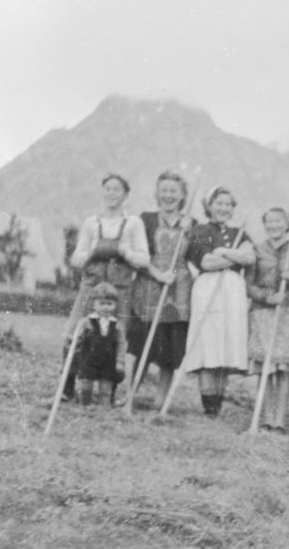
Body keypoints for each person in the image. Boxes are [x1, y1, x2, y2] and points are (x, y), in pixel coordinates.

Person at [61, 173, 149, 402]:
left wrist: (123, 251)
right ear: (102, 192)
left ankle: (107, 392)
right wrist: (92, 251)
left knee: (114, 337)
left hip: (120, 291)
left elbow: (144, 260)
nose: (112, 193)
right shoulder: (91, 223)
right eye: (108, 189)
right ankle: (68, 388)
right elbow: (76, 260)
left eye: (117, 189)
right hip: (91, 288)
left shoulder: (133, 223)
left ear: (126, 194)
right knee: (75, 334)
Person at [126, 171, 198, 408]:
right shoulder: (145, 219)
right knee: (142, 344)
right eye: (164, 190)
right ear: (157, 193)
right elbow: (137, 255)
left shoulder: (192, 225)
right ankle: (130, 395)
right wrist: (158, 274)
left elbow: (196, 256)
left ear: (182, 195)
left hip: (178, 293)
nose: (168, 195)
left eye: (173, 191)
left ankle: (160, 401)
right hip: (149, 287)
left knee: (170, 348)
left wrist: (175, 275)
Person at [182, 187, 256, 416]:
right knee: (209, 343)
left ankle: (218, 403)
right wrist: (234, 256)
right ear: (209, 206)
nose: (223, 208)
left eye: (228, 204)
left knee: (226, 344)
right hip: (208, 289)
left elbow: (250, 257)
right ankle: (208, 406)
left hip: (233, 291)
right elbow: (206, 263)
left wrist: (222, 251)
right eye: (219, 203)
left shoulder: (240, 233)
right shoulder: (199, 230)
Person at [247, 207, 289, 432]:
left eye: (278, 221)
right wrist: (267, 296)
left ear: (287, 223)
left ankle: (279, 420)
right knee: (265, 369)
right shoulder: (257, 250)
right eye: (269, 221)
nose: (274, 226)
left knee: (282, 370)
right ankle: (265, 418)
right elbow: (248, 285)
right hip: (262, 313)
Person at [71, 282, 126, 407]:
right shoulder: (86, 322)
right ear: (94, 304)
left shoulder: (117, 325)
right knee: (85, 384)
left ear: (115, 305)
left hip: (108, 361)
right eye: (102, 304)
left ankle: (104, 407)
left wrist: (120, 361)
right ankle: (85, 405)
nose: (106, 307)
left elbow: (122, 344)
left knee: (106, 386)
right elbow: (77, 339)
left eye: (109, 304)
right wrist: (75, 340)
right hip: (89, 359)